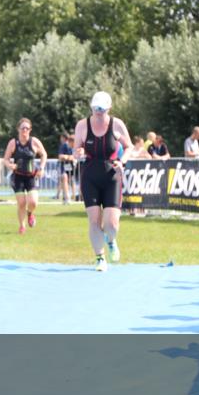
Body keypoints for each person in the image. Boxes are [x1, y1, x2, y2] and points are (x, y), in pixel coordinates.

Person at [74, 91, 132, 272]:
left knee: (111, 224)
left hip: (112, 176)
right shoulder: (82, 125)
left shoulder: (117, 124)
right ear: (91, 107)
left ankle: (111, 240)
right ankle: (100, 258)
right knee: (94, 220)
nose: (98, 112)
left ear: (109, 109)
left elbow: (129, 147)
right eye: (95, 108)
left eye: (102, 109)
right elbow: (77, 149)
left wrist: (122, 162)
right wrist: (79, 153)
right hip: (90, 176)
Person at [3, 118, 47, 234]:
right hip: (18, 177)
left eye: (27, 128)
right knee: (21, 202)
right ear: (18, 129)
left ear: (30, 130)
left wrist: (42, 168)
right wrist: (10, 165)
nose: (25, 130)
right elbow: (6, 159)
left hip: (31, 176)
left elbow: (44, 154)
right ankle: (22, 226)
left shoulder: (34, 142)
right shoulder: (13, 143)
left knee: (33, 202)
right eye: (23, 128)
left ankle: (30, 213)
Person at [57, 133, 76, 205]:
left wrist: (69, 157)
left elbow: (75, 156)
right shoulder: (64, 146)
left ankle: (73, 197)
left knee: (72, 181)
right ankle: (66, 197)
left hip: (71, 168)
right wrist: (69, 157)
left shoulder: (74, 147)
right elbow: (61, 156)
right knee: (64, 178)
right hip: (64, 167)